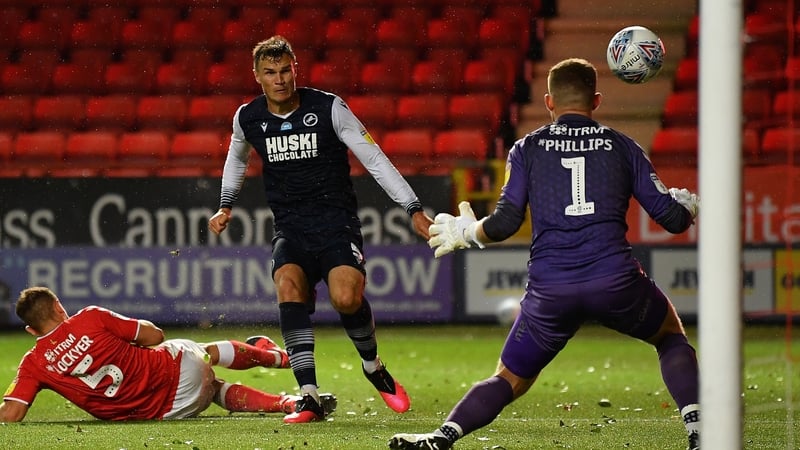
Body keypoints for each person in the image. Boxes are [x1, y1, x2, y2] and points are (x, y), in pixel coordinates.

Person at [388, 58, 701, 450]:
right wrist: (686, 206)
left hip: (551, 290)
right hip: (615, 282)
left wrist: (467, 232)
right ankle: (699, 433)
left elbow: (504, 223)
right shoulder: (623, 147)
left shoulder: (528, 149)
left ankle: (442, 436)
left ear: (549, 102)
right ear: (597, 100)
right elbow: (671, 219)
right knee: (671, 336)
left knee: (508, 378)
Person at [207, 35, 434, 423]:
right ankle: (308, 396)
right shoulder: (248, 117)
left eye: (284, 70)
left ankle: (372, 365)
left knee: (346, 297)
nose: (279, 79)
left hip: (336, 224)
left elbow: (375, 159)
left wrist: (413, 208)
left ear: (295, 69)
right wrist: (225, 204)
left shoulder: (329, 108)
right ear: (257, 76)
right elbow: (236, 157)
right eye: (270, 73)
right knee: (287, 286)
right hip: (290, 228)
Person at [0, 286, 337, 422]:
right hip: (183, 371)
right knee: (200, 352)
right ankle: (279, 357)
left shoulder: (33, 363)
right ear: (60, 307)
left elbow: (12, 415)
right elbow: (154, 335)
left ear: (31, 330)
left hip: (168, 411)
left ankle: (289, 403)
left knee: (215, 388)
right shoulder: (90, 317)